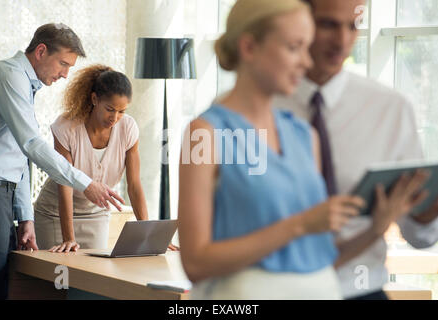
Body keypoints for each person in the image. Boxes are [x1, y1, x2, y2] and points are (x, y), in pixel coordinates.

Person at [177, 0, 427, 300]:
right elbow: (194, 262)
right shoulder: (203, 134)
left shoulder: (305, 136)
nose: (307, 62)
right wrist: (301, 224)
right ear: (249, 47)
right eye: (295, 47)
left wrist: (376, 227)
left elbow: (317, 259)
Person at [274, 0, 438, 300]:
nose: (343, 41)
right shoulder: (252, 109)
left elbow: (421, 236)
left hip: (361, 291)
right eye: (328, 25)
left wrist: (427, 207)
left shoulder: (391, 108)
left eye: (353, 26)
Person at [0, 23, 124, 300]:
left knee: (2, 282)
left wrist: (25, 216)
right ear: (41, 51)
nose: (65, 74)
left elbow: (17, 151)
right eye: (63, 63)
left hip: (3, 192)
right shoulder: (9, 74)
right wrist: (86, 183)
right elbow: (31, 144)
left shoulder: (25, 84)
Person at [34, 65, 149, 251]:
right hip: (55, 213)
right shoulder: (66, 127)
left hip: (96, 213)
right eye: (110, 109)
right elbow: (65, 184)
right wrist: (69, 238)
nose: (115, 118)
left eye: (122, 111)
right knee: (60, 275)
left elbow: (134, 185)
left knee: (93, 274)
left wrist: (148, 234)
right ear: (94, 99)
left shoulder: (128, 128)